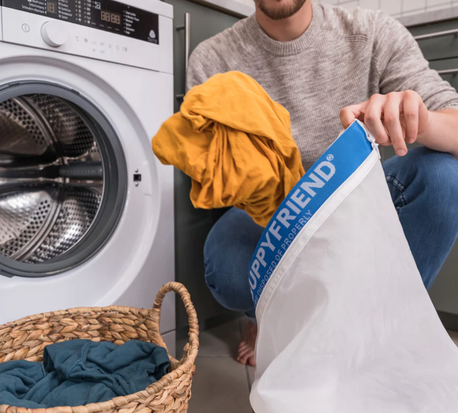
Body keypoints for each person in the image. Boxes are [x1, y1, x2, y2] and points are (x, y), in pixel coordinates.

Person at [186, 0, 458, 366]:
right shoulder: (212, 58)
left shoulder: (372, 33)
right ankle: (267, 318)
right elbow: (207, 172)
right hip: (274, 212)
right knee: (227, 265)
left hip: (360, 197)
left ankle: (381, 327)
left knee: (444, 176)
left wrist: (418, 121)